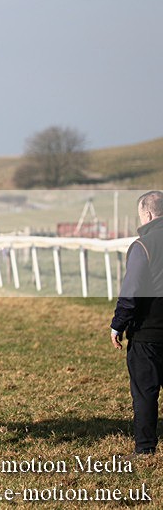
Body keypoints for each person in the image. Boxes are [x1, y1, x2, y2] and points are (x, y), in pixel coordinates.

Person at [111, 191, 163, 456]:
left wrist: (118, 323)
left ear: (148, 214)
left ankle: (145, 449)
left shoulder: (142, 246)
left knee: (145, 393)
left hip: (148, 332)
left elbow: (131, 291)